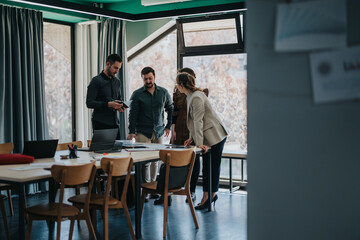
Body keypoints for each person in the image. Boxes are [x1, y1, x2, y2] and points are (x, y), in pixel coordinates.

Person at [176, 72, 228, 210]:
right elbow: (195, 122)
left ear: (181, 85)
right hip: (207, 136)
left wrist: (198, 144)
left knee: (211, 167)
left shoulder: (196, 97)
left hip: (215, 136)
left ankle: (209, 195)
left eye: (177, 84)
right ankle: (208, 195)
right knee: (208, 167)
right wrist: (192, 138)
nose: (176, 87)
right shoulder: (192, 96)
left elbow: (199, 121)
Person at [127, 67, 173, 199]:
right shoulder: (137, 94)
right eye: (145, 79)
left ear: (154, 77)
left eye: (150, 78)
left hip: (158, 131)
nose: (148, 81)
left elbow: (170, 108)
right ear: (142, 78)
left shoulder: (163, 92)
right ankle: (145, 189)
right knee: (144, 162)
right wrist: (132, 132)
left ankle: (154, 188)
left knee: (156, 160)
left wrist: (168, 126)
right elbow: (133, 115)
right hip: (143, 131)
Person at [169, 68, 208, 204]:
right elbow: (174, 112)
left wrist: (198, 140)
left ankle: (191, 190)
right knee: (174, 159)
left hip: (193, 128)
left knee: (194, 160)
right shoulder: (177, 93)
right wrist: (172, 129)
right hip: (180, 127)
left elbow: (199, 119)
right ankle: (169, 191)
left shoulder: (199, 94)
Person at [86, 53, 125, 138]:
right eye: (115, 68)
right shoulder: (96, 81)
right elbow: (89, 103)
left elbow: (118, 99)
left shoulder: (117, 82)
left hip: (114, 123)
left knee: (118, 151)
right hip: (100, 123)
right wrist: (108, 104)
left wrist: (120, 106)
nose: (117, 71)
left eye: (118, 68)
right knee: (101, 151)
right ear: (108, 64)